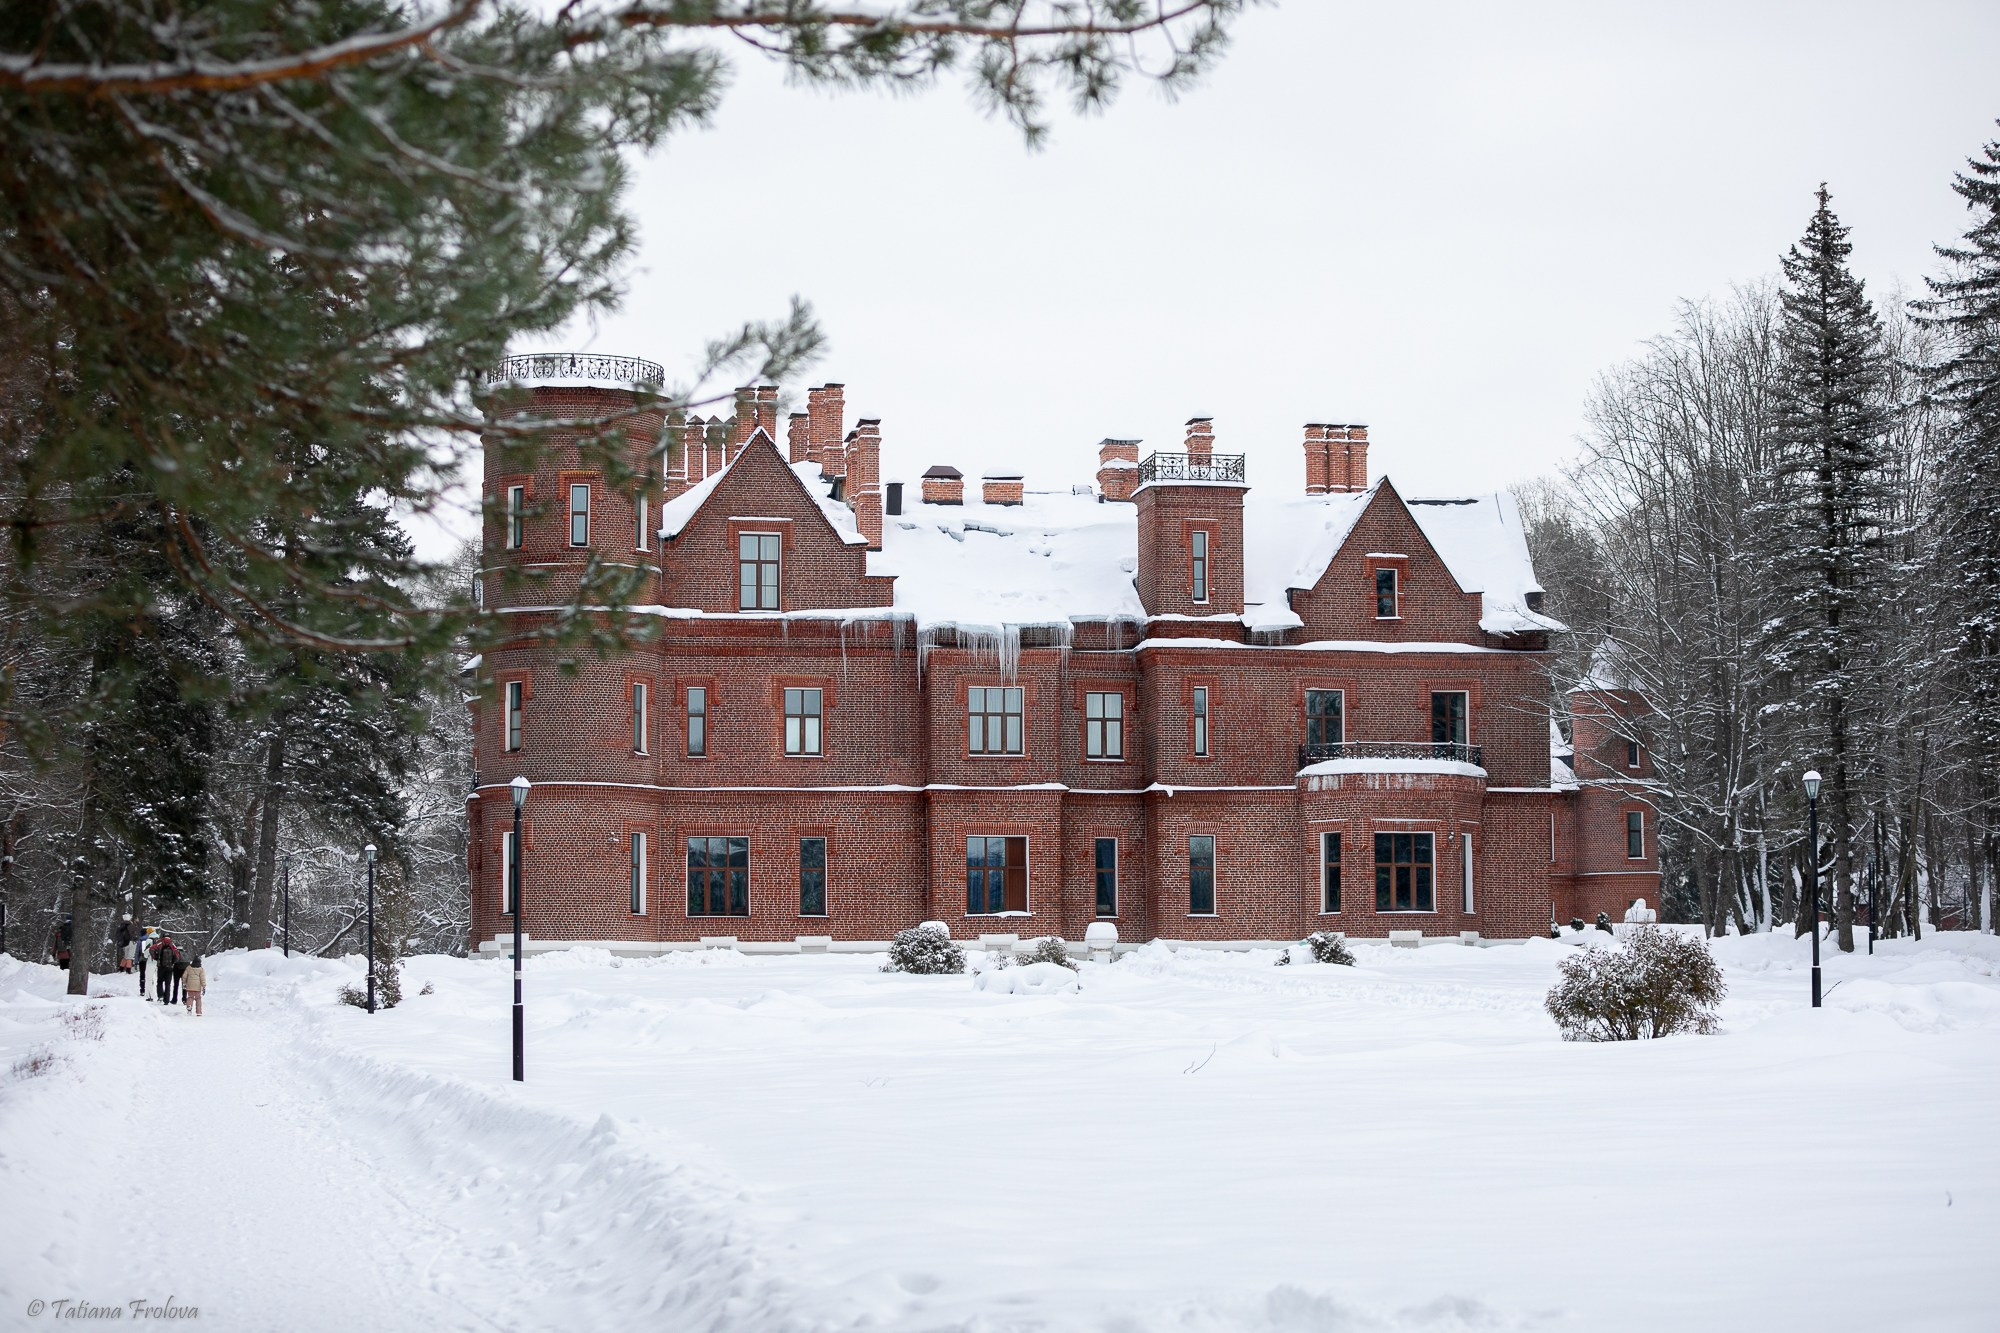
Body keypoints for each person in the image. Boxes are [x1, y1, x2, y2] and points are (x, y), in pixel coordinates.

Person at [151, 933, 182, 1005]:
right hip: (170, 968)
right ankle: (166, 1000)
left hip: (161, 966)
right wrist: (173, 962)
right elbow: (177, 956)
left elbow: (151, 949)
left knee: (160, 982)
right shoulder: (172, 945)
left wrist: (156, 958)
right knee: (168, 984)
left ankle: (160, 996)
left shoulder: (160, 943)